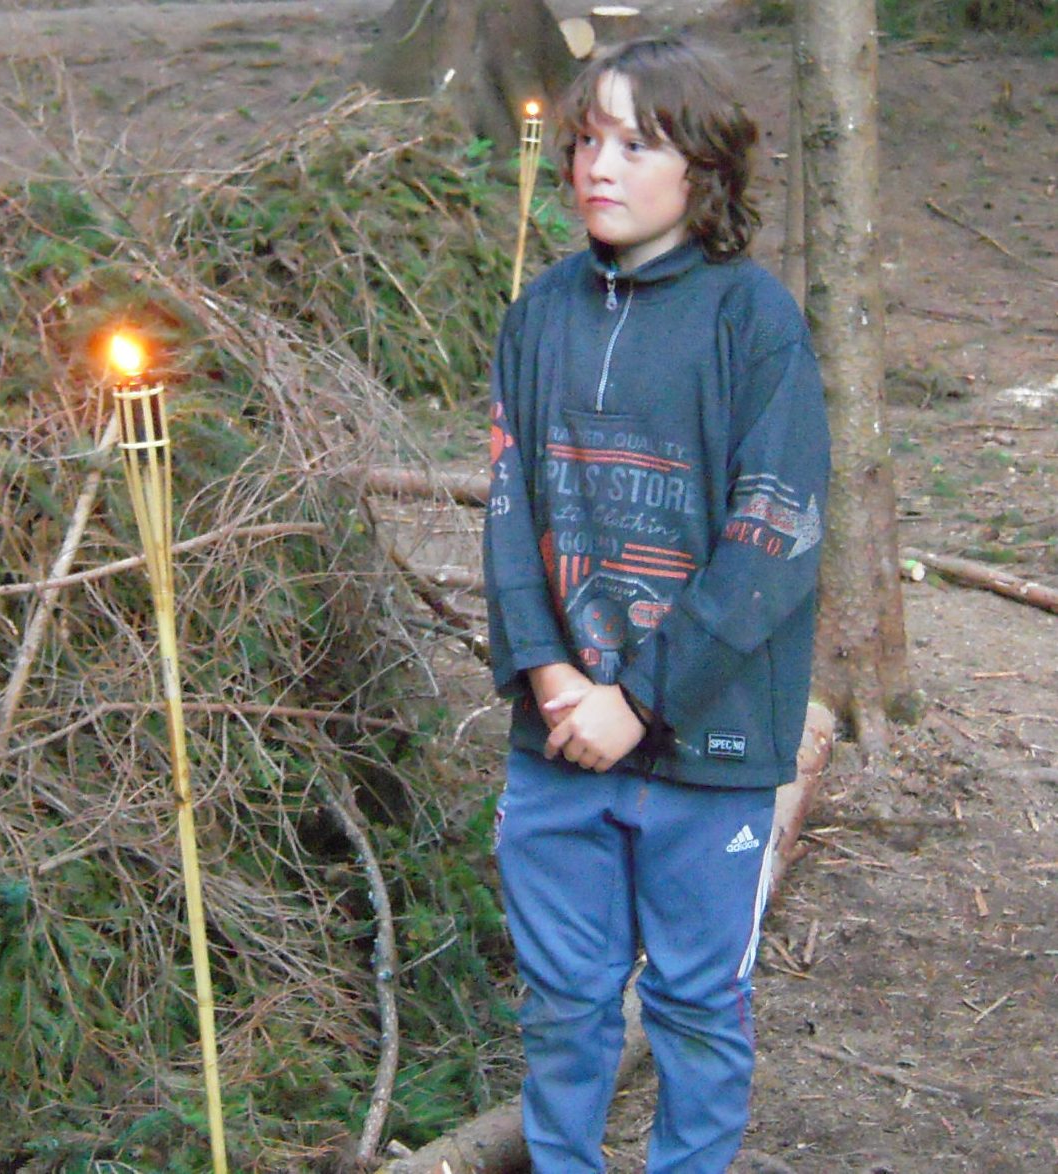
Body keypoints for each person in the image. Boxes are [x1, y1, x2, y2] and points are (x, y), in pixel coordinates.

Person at [483, 33, 831, 1174]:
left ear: (703, 166)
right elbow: (508, 511)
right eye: (589, 139)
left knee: (693, 1004)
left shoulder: (752, 322)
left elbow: (771, 537)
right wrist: (552, 679)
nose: (600, 165)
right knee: (564, 1003)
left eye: (637, 144)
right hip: (559, 740)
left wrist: (636, 701)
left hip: (706, 744)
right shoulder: (539, 314)